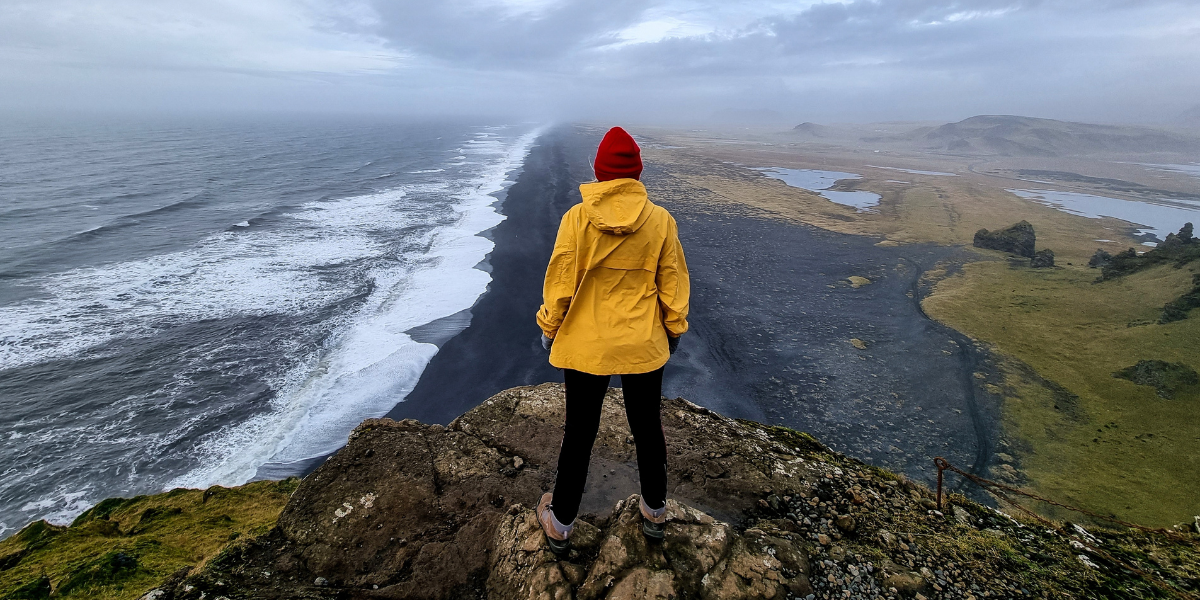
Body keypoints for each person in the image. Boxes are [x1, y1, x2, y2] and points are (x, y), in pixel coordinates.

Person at [533, 126, 690, 556]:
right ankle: (655, 513)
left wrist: (550, 328)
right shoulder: (660, 220)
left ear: (598, 172)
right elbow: (673, 283)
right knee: (647, 427)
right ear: (637, 173)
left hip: (587, 345)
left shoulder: (576, 218)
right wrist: (673, 329)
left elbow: (560, 285)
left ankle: (560, 523)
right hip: (643, 342)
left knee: (580, 432)